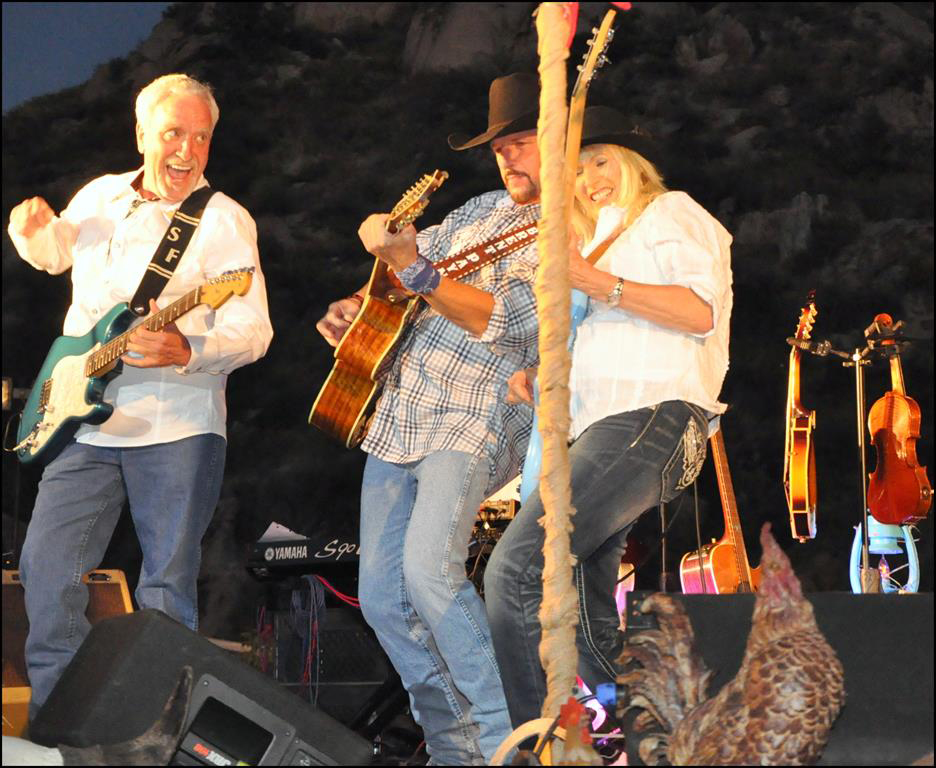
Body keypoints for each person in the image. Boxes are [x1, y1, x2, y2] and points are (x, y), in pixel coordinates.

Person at [7, 73, 273, 717]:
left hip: (176, 423)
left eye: (201, 137)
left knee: (165, 586)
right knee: (46, 571)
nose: (188, 150)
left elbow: (255, 330)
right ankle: (61, 725)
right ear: (141, 135)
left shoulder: (224, 219)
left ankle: (152, 732)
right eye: (174, 133)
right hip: (82, 422)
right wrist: (29, 228)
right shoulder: (100, 195)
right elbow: (53, 254)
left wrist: (188, 349)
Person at [315, 72, 542, 765]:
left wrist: (414, 268)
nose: (506, 156)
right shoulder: (477, 209)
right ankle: (453, 750)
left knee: (430, 573)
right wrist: (357, 306)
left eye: (521, 141)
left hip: (477, 412)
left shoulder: (575, 229)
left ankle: (509, 742)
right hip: (400, 411)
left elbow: (510, 323)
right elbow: (399, 272)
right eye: (498, 147)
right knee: (383, 599)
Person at [484, 105, 733, 727]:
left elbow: (699, 312)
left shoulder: (669, 211)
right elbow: (612, 344)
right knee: (584, 615)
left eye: (601, 162)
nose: (590, 178)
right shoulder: (598, 242)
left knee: (517, 570)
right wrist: (544, 380)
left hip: (652, 418)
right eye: (577, 169)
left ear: (634, 164)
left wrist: (596, 282)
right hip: (605, 432)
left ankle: (535, 746)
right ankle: (670, 735)